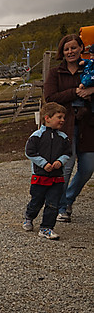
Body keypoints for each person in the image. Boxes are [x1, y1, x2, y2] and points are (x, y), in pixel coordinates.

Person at [44, 33, 94, 222]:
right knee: (66, 167)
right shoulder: (56, 73)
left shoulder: (89, 68)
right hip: (65, 126)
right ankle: (62, 206)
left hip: (88, 124)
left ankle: (68, 198)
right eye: (66, 49)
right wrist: (75, 92)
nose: (70, 51)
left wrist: (90, 91)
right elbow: (50, 97)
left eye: (74, 47)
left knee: (88, 167)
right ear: (62, 52)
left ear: (81, 48)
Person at [24, 102, 71, 240]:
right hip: (40, 177)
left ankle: (46, 228)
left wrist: (60, 161)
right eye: (59, 117)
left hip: (57, 178)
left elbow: (68, 152)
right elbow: (30, 152)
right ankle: (29, 217)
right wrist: (43, 164)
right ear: (47, 118)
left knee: (53, 204)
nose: (62, 120)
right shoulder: (36, 136)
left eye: (63, 117)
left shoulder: (63, 137)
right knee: (36, 201)